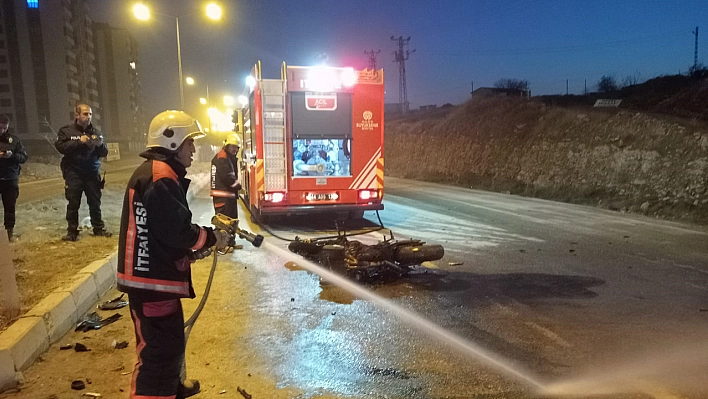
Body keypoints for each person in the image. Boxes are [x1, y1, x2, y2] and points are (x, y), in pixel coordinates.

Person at [117, 110, 229, 399]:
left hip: (154, 278)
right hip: (152, 283)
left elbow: (160, 231)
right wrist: (211, 237)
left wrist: (192, 253)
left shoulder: (158, 173)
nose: (193, 149)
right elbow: (177, 231)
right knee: (158, 355)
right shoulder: (160, 177)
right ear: (172, 142)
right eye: (189, 143)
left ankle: (172, 390)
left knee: (169, 346)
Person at [55, 104, 110, 241]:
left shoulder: (96, 132)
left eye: (90, 114)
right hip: (74, 173)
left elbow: (104, 152)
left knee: (95, 202)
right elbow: (61, 147)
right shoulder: (66, 131)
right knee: (73, 203)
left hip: (91, 173)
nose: (88, 117)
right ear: (77, 115)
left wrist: (101, 145)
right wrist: (79, 142)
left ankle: (98, 229)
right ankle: (72, 232)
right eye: (85, 114)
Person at [0, 114, 28, 242]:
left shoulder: (14, 141)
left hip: (10, 179)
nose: (2, 130)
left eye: (4, 127)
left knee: (9, 207)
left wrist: (11, 156)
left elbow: (23, 157)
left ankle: (9, 233)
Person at [210, 133, 242, 219]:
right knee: (224, 227)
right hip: (223, 200)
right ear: (227, 146)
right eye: (232, 147)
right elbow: (228, 177)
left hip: (226, 199)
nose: (234, 149)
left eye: (236, 147)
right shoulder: (222, 157)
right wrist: (238, 186)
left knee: (230, 226)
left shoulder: (227, 156)